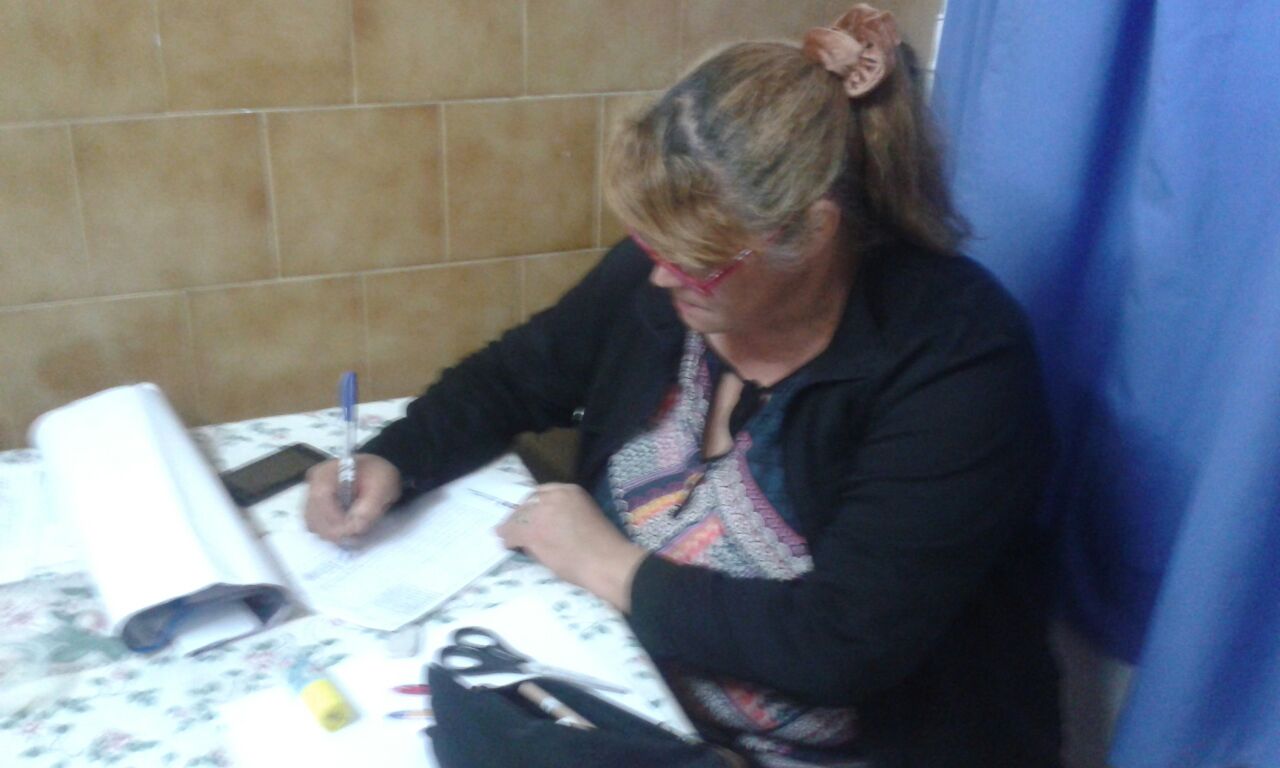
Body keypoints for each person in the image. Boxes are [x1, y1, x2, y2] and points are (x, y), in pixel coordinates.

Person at [304, 5, 1061, 766]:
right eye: (650, 243)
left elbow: (842, 641)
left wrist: (610, 566)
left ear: (814, 231)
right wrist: (395, 458)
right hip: (627, 688)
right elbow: (514, 376)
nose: (662, 277)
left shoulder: (958, 358)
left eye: (698, 263)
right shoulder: (668, 273)